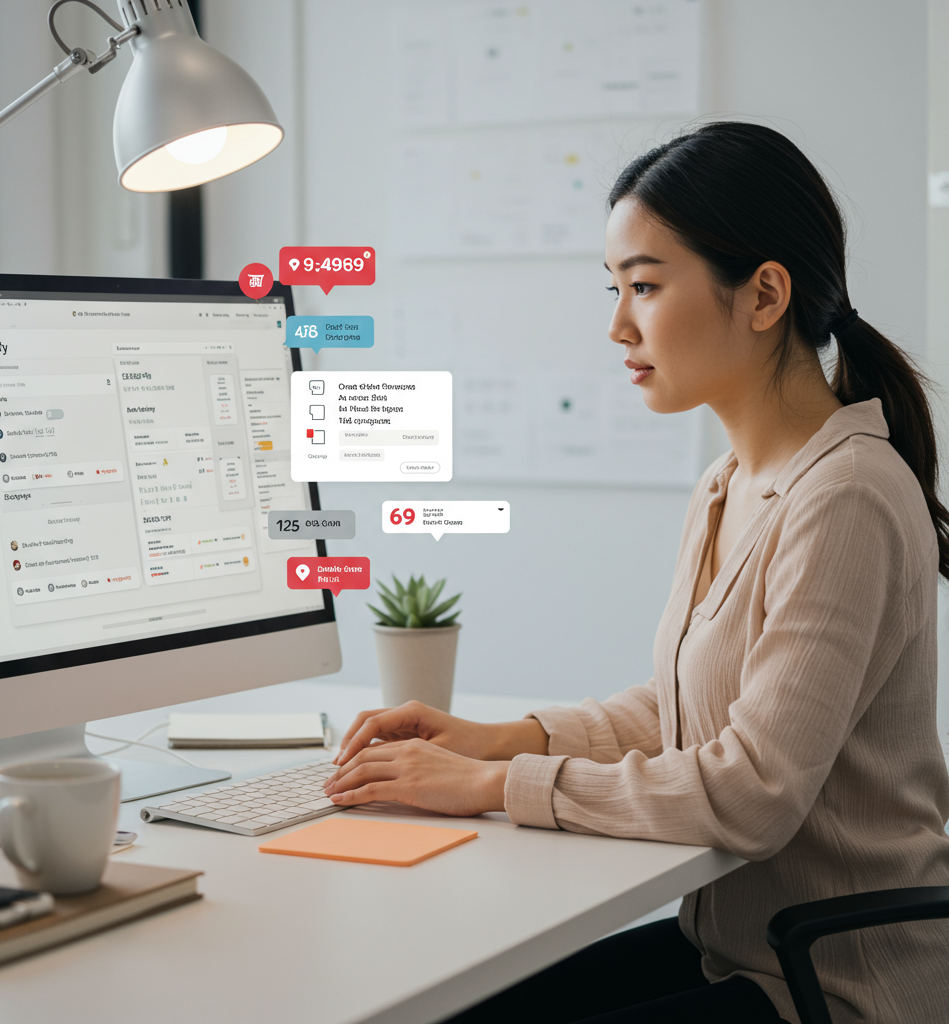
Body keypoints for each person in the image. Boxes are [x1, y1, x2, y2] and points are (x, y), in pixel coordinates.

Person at [323, 122, 949, 1023]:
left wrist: (493, 788)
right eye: (616, 288)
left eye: (646, 287)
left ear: (765, 293)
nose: (618, 324)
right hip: (739, 953)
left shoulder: (844, 495)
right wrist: (498, 738)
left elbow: (753, 791)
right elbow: (682, 708)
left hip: (837, 987)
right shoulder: (730, 483)